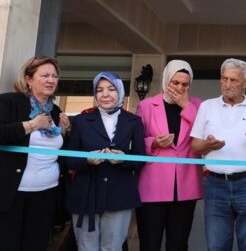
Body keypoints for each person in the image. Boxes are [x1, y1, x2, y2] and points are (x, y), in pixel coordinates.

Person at [190, 58, 246, 251]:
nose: (227, 84)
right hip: (215, 184)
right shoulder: (207, 106)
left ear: (245, 83)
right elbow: (194, 146)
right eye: (224, 79)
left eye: (233, 80)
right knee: (216, 246)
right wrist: (208, 145)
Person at [65, 71, 146, 251]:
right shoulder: (81, 121)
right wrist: (86, 160)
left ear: (120, 92)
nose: (105, 94)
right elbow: (69, 159)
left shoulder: (134, 121)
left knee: (113, 247)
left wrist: (124, 160)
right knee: (86, 246)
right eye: (99, 90)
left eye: (111, 89)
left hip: (120, 193)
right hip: (86, 192)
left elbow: (140, 159)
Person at [0, 56, 70, 251]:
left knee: (37, 244)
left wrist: (64, 133)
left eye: (55, 76)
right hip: (12, 193)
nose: (51, 80)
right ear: (29, 79)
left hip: (46, 193)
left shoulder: (56, 111)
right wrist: (31, 125)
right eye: (45, 75)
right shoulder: (9, 101)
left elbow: (55, 150)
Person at [136, 59, 204, 251]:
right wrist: (154, 142)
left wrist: (186, 106)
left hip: (186, 184)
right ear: (166, 80)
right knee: (150, 242)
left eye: (185, 84)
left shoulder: (198, 105)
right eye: (175, 83)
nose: (180, 88)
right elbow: (135, 141)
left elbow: (204, 133)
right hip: (152, 185)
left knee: (179, 243)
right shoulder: (147, 106)